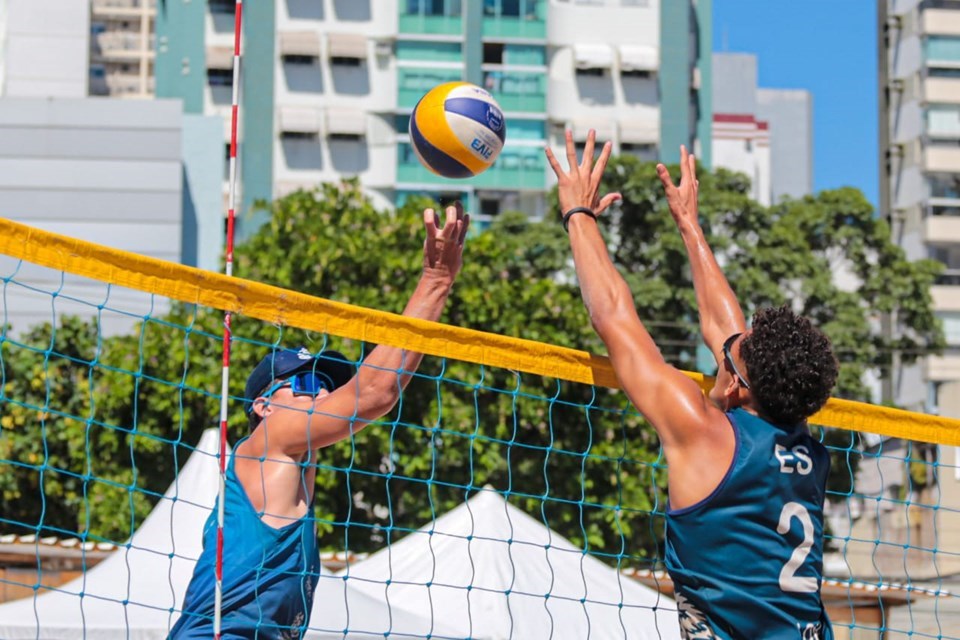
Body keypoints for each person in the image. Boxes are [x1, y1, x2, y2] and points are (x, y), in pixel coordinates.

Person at [545, 133, 838, 639]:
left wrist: (578, 214)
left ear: (738, 389)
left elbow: (613, 316)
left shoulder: (702, 431)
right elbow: (727, 332)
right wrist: (688, 224)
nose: (724, 345)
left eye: (728, 356)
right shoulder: (809, 449)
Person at [170, 204, 469, 639]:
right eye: (308, 383)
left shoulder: (296, 470)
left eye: (329, 385)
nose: (324, 394)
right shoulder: (267, 444)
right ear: (263, 406)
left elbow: (383, 389)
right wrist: (435, 280)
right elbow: (374, 393)